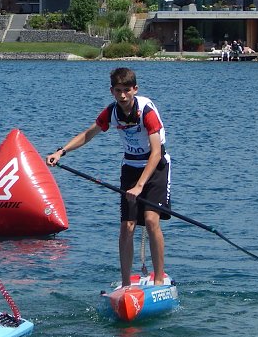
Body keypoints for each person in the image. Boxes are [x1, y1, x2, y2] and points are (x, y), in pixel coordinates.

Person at [46, 67, 171, 287]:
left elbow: (156, 153)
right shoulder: (112, 112)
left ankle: (159, 280)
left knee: (151, 221)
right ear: (111, 91)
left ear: (135, 89)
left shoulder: (146, 112)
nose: (122, 95)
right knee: (127, 226)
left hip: (155, 167)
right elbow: (88, 134)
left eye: (126, 90)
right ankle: (126, 284)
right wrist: (61, 151)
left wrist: (140, 186)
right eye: (118, 90)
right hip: (130, 167)